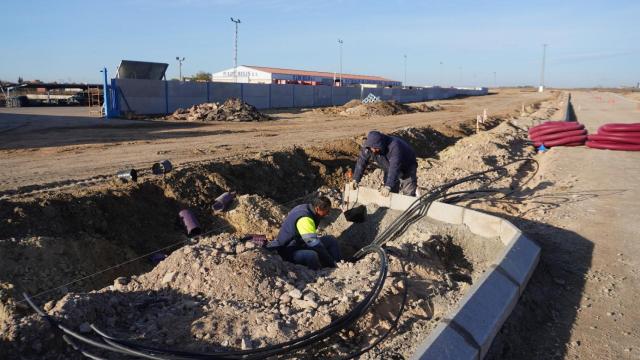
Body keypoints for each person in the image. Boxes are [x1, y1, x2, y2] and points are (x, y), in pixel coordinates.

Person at [266, 196, 340, 270]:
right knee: (312, 255)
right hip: (288, 250)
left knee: (331, 240)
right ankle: (319, 273)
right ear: (317, 209)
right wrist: (331, 262)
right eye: (326, 211)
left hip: (299, 243)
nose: (328, 214)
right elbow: (314, 244)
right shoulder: (305, 219)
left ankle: (339, 264)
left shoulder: (306, 208)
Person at [349, 130, 418, 196]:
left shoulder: (394, 147)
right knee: (390, 193)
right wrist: (355, 179)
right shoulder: (368, 147)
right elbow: (361, 162)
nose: (374, 150)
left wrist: (388, 186)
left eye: (376, 148)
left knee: (408, 192)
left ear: (381, 144)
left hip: (407, 165)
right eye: (372, 148)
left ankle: (409, 206)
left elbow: (394, 167)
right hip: (388, 165)